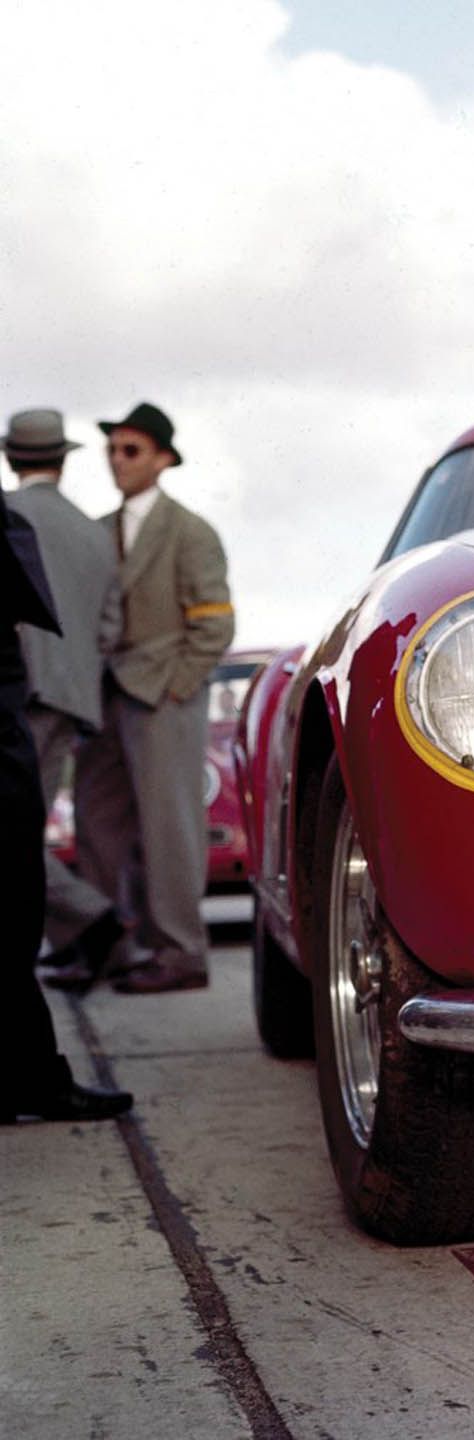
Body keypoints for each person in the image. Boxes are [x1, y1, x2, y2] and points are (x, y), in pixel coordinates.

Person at [72, 403, 234, 994]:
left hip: (163, 697)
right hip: (103, 696)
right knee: (95, 822)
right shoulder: (96, 531)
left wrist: (176, 688)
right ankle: (106, 946)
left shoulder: (190, 531)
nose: (117, 460)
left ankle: (181, 953)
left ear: (163, 459)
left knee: (169, 830)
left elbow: (215, 624)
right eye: (112, 450)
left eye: (131, 450)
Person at [0, 478, 134, 1122]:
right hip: (44, 701)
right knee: (13, 878)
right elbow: (107, 625)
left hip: (25, 701)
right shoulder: (89, 530)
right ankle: (29, 1076)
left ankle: (27, 1075)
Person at [3, 410, 128, 993]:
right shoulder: (94, 532)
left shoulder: (10, 513)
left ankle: (95, 921)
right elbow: (109, 628)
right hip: (70, 696)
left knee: (14, 834)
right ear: (62, 458)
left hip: (19, 691)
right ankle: (82, 934)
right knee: (23, 828)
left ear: (10, 457)